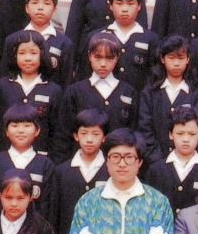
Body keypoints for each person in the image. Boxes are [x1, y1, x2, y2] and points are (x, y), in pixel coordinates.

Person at [54, 32, 138, 161]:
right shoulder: (75, 91)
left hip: (118, 164)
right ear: (89, 56)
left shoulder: (128, 92)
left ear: (117, 58)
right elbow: (63, 135)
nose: (103, 64)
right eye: (97, 57)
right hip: (83, 163)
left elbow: (134, 131)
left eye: (109, 58)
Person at [0, 30, 62, 156]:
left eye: (33, 53)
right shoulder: (2, 86)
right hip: (5, 156)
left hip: (40, 158)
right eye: (22, 53)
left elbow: (56, 132)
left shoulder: (53, 90)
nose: (28, 58)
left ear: (42, 55)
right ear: (14, 55)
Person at [0, 103, 56, 222]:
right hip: (0, 228)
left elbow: (47, 206)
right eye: (15, 125)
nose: (21, 131)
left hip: (34, 230)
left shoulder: (46, 165)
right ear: (6, 131)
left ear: (37, 131)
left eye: (27, 126)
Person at [138, 35, 198, 162]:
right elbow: (145, 129)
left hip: (187, 161)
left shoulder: (197, 93)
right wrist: (159, 160)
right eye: (171, 58)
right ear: (162, 59)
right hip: (155, 162)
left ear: (188, 59)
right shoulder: (150, 93)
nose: (176, 63)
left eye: (181, 58)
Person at [0, 0, 75, 89]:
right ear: (27, 8)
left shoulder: (64, 43)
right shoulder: (12, 39)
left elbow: (66, 82)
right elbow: (4, 77)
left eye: (46, 3)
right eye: (35, 3)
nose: (40, 8)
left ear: (54, 9)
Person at [146, 107, 198, 213]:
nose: (186, 139)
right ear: (171, 134)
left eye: (192, 134)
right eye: (180, 133)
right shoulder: (156, 169)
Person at [101, 0, 158, 92]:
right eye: (119, 3)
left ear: (139, 6)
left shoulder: (150, 39)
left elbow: (154, 76)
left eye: (131, 3)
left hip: (138, 98)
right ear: (111, 5)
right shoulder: (99, 36)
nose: (125, 9)